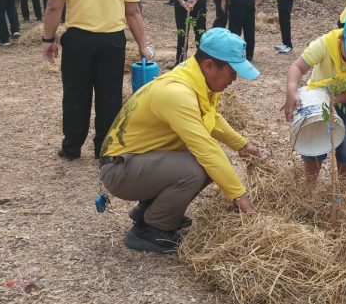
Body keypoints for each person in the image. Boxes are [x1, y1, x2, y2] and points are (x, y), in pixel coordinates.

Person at [100, 27, 260, 253]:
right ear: (209, 65)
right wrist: (240, 197)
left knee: (213, 163)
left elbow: (212, 118)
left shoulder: (196, 80)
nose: (235, 78)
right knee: (194, 169)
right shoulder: (177, 93)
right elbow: (206, 150)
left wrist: (242, 144)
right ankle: (150, 230)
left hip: (137, 161)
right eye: (232, 71)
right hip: (119, 170)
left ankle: (150, 210)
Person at [42, 0, 152, 160]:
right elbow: (133, 12)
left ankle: (72, 147)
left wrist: (48, 39)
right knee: (110, 96)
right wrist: (143, 46)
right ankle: (105, 149)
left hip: (78, 41)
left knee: (75, 94)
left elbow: (54, 7)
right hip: (112, 41)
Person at [283, 12, 346, 183]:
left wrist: (335, 101)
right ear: (341, 38)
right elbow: (297, 67)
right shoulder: (324, 44)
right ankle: (309, 186)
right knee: (314, 139)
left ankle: (342, 189)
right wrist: (291, 91)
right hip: (318, 98)